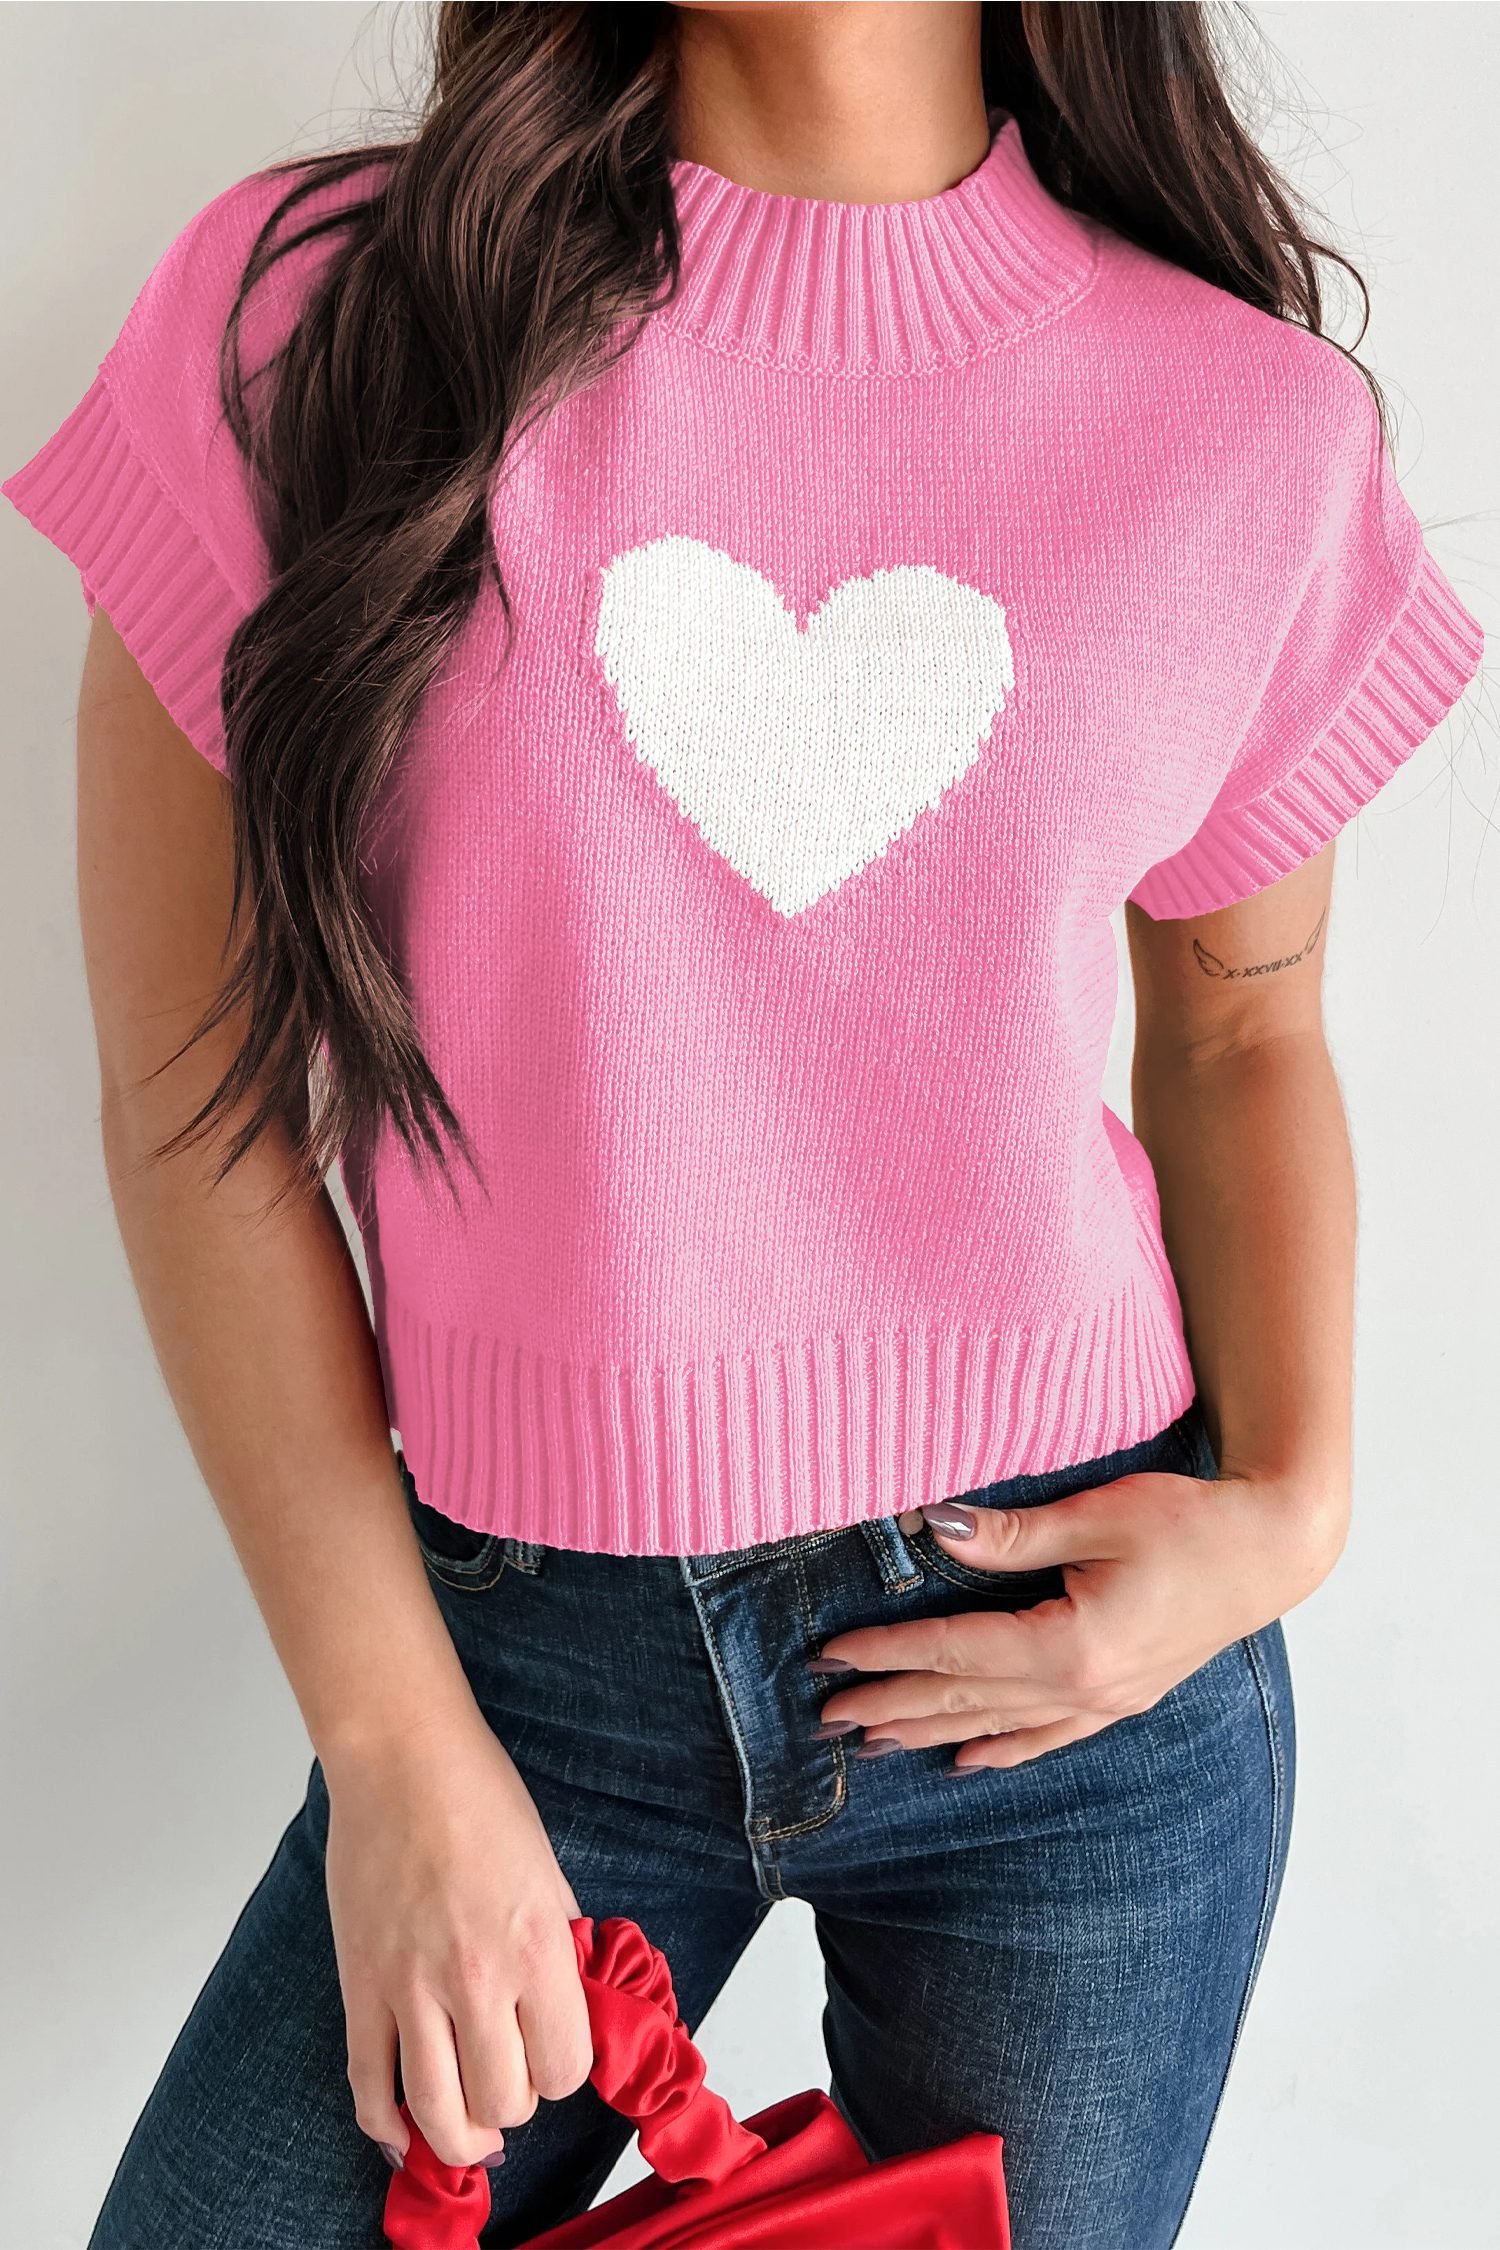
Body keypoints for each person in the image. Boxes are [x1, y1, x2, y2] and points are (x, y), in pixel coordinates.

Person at [3, 5, 1484, 2247]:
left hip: (1075, 1690)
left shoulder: (1243, 424)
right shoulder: (313, 323)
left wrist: (1291, 1508)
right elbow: (200, 1108)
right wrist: (396, 1750)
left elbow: (1248, 1028)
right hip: (512, 1674)